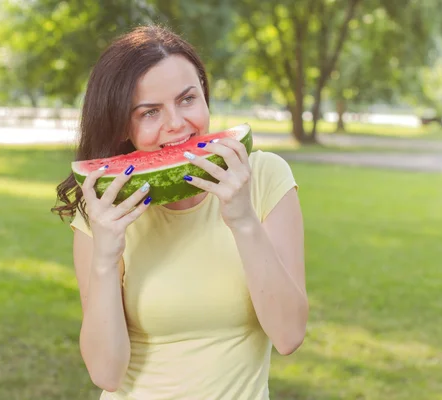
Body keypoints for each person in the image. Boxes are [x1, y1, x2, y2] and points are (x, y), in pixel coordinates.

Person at [54, 24, 308, 400]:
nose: (176, 123)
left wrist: (242, 219)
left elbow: (289, 335)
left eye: (187, 99)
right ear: (123, 124)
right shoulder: (104, 209)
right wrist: (106, 257)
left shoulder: (264, 176)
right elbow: (106, 373)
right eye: (149, 112)